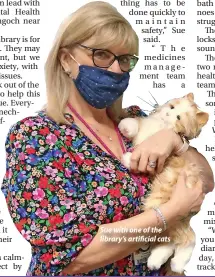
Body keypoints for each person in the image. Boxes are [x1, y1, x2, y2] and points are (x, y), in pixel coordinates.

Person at [1, 1, 213, 276]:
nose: (115, 70)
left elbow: (206, 181)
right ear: (66, 60)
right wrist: (170, 213)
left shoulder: (135, 122)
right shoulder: (36, 137)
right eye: (101, 55)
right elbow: (75, 257)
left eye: (125, 59)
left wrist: (177, 143)